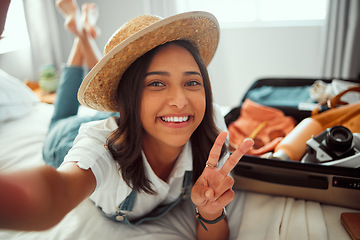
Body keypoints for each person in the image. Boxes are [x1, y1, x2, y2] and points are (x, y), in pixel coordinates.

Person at [0, 1, 254, 239]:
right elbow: (58, 191)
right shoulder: (102, 148)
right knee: (60, 118)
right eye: (156, 83)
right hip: (71, 136)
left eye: (191, 82)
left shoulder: (210, 132)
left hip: (136, 120)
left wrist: (210, 211)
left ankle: (83, 33)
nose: (180, 100)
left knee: (112, 103)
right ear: (129, 98)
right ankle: (82, 34)